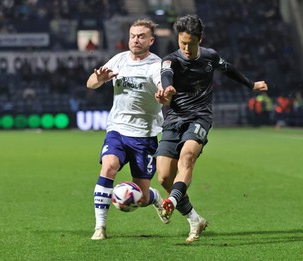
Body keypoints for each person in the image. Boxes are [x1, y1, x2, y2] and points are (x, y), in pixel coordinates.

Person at [155, 15, 268, 242]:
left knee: (188, 157)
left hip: (200, 117)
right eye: (182, 43)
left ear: (200, 39)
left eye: (191, 43)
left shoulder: (210, 57)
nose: (186, 48)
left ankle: (171, 202)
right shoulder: (170, 60)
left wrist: (251, 84)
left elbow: (229, 70)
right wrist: (167, 90)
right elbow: (166, 75)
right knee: (164, 177)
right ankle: (195, 219)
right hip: (174, 119)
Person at [86, 18, 168, 240]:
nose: (136, 40)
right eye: (133, 35)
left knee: (140, 198)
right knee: (109, 166)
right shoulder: (119, 60)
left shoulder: (156, 65)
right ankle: (100, 227)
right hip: (118, 130)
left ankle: (153, 197)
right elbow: (90, 83)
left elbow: (164, 87)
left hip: (145, 135)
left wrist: (163, 94)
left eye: (141, 36)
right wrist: (99, 79)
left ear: (151, 40)